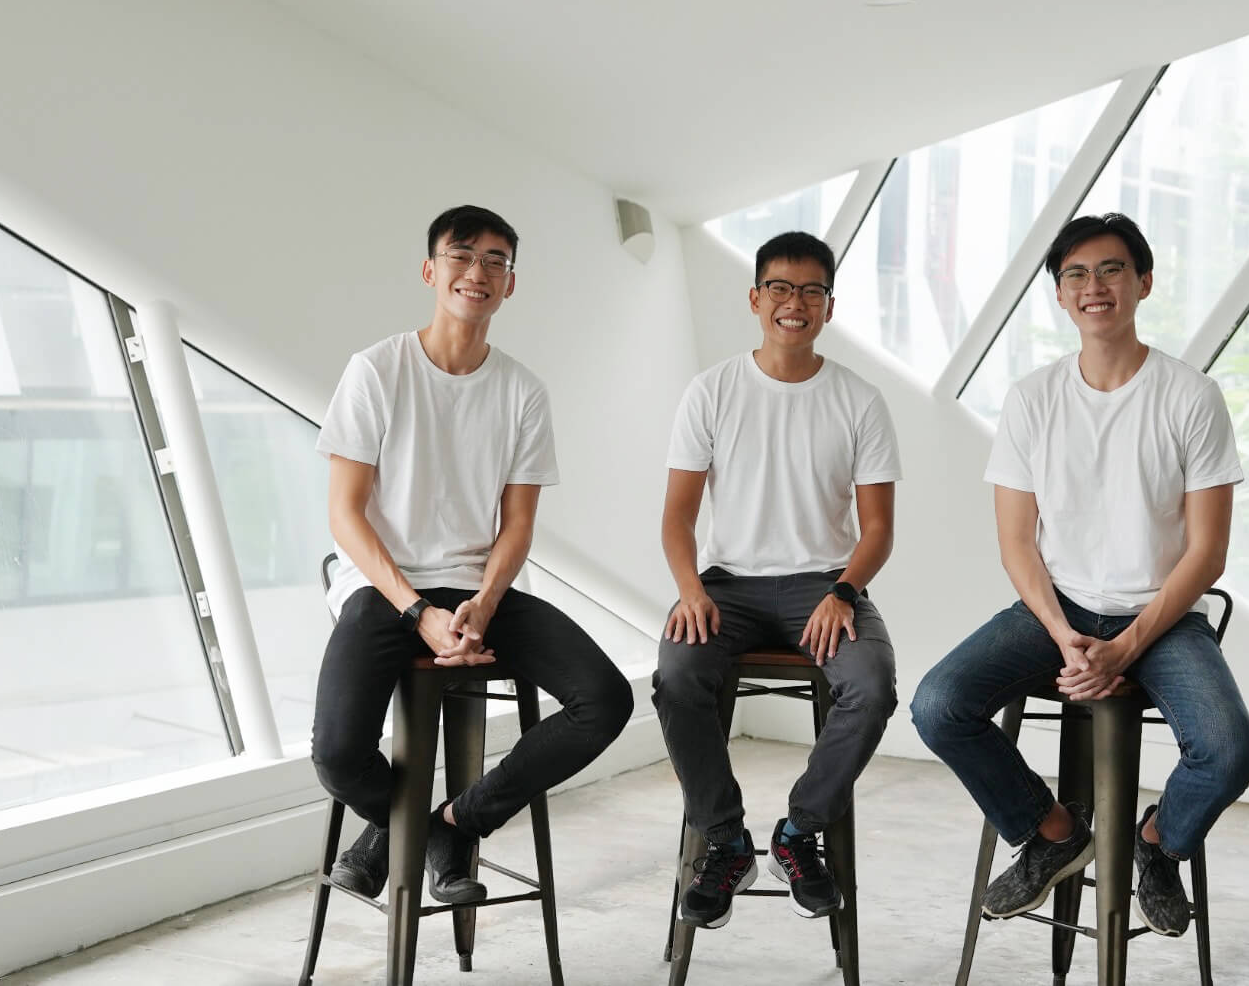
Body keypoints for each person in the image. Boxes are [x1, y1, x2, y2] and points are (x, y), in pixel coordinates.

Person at [911, 213, 1249, 937]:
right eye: (1076, 274)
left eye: (1110, 270)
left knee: (1229, 750)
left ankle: (1157, 843)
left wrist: (1126, 647)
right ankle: (1053, 831)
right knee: (939, 703)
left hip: (1161, 618)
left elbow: (1208, 553)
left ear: (1143, 283)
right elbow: (1016, 544)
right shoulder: (1033, 398)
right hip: (1056, 609)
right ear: (1061, 297)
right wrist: (1066, 636)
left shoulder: (1191, 396)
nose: (1093, 286)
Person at [311, 204, 633, 904]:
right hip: (382, 588)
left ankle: (459, 819)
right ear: (432, 270)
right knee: (337, 754)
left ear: (509, 284)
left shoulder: (522, 391)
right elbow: (345, 513)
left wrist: (483, 604)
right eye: (462, 255)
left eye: (496, 260)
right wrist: (418, 610)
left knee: (605, 698)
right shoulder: (376, 370)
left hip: (475, 589)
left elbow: (517, 526)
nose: (477, 271)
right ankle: (427, 838)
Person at [654, 230, 901, 929]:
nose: (796, 303)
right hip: (726, 585)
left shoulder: (859, 399)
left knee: (872, 682)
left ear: (829, 305)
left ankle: (799, 831)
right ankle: (725, 838)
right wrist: (691, 590)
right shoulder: (712, 390)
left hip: (822, 583)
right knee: (676, 673)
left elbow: (877, 527)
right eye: (782, 289)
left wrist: (843, 590)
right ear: (757, 297)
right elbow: (677, 516)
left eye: (812, 290)